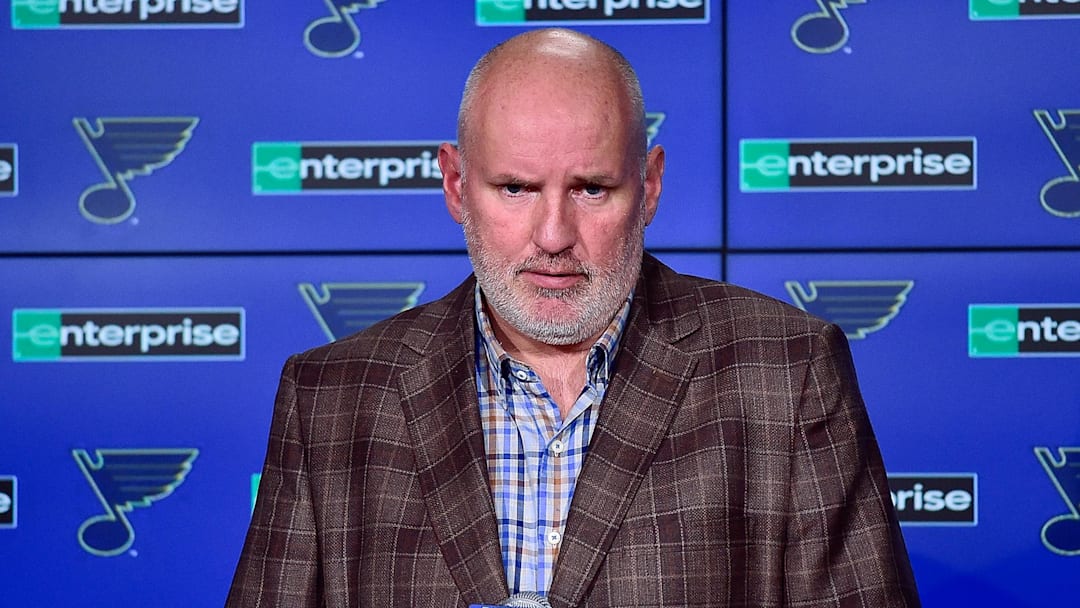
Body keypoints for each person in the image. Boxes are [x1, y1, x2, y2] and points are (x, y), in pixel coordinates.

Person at [226, 28, 920, 607]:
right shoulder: (330, 399)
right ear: (456, 185)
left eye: (591, 188)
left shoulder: (786, 373)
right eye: (516, 188)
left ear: (649, 186)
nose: (553, 235)